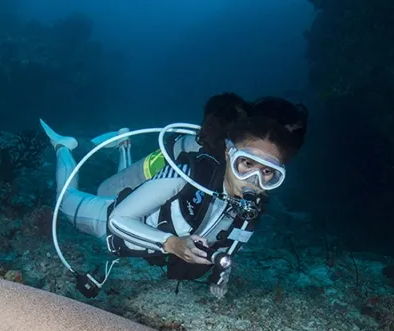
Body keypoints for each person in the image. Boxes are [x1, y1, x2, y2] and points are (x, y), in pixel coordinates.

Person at [41, 92, 307, 298]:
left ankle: (124, 144)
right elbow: (118, 221)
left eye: (268, 173)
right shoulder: (186, 173)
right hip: (107, 221)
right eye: (247, 165)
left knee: (128, 186)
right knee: (65, 201)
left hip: (145, 231)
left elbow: (232, 245)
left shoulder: (249, 210)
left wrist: (219, 276)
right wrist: (171, 244)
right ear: (229, 153)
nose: (254, 182)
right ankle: (63, 148)